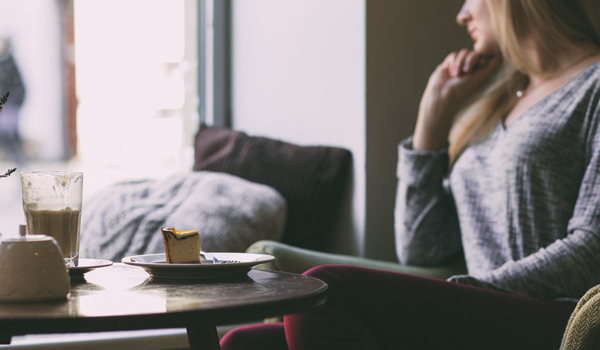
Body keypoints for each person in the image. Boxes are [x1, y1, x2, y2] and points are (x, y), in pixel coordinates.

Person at [221, 0, 600, 348]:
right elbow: (422, 246)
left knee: (328, 291)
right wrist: (431, 123)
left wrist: (470, 291)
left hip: (561, 316)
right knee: (245, 343)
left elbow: (592, 247)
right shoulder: (499, 97)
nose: (462, 14)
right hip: (482, 308)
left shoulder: (593, 85)